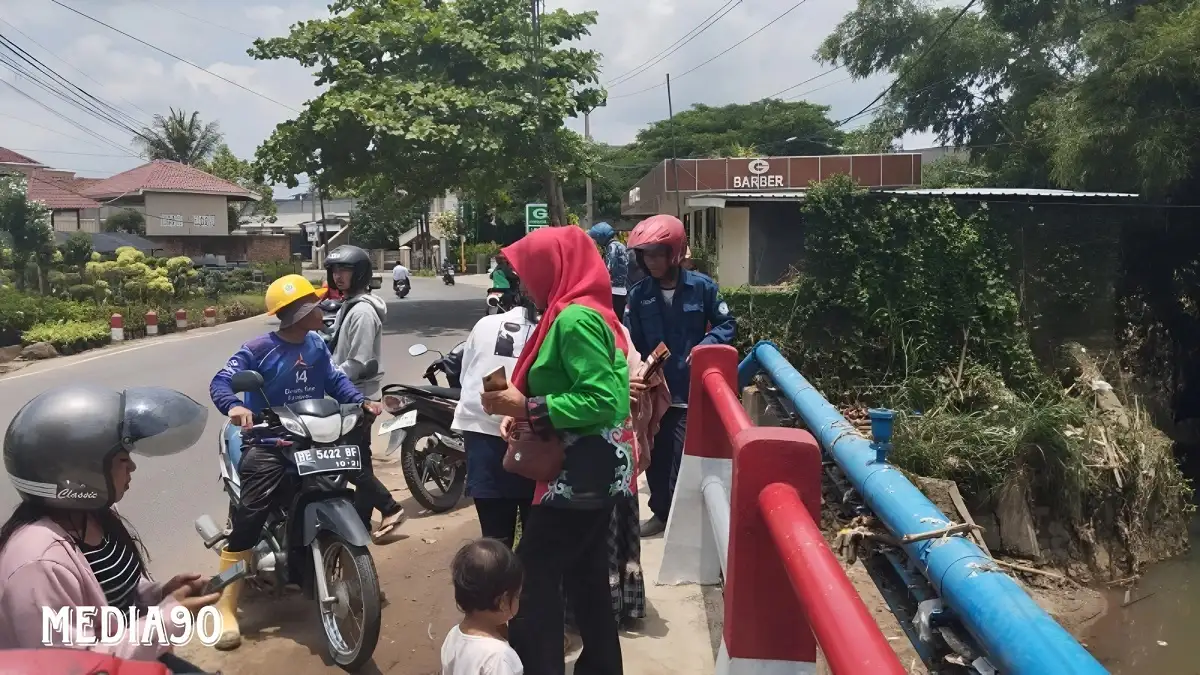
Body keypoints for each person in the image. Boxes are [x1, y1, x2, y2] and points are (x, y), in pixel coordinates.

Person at [481, 225, 630, 675]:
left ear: (553, 268)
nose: (523, 284)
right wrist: (521, 410)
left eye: (528, 272)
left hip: (578, 474)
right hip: (589, 470)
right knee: (585, 580)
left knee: (529, 580)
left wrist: (527, 405)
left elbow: (606, 401)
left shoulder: (574, 319)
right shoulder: (572, 312)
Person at [208, 273, 381, 650]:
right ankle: (225, 606)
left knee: (349, 482)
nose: (323, 308)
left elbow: (335, 380)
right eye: (316, 304)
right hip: (268, 442)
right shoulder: (257, 349)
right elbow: (221, 382)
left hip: (312, 437)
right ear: (300, 312)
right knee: (250, 517)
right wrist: (235, 406)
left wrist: (361, 401)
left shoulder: (317, 343)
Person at [0, 384, 217, 669]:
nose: (132, 468)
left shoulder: (95, 515)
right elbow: (72, 665)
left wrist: (160, 594)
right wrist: (166, 620)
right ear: (80, 472)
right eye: (122, 459)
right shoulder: (38, 563)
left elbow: (115, 598)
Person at [625, 215, 736, 537]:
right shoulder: (639, 294)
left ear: (674, 253)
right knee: (655, 457)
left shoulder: (702, 288)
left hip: (689, 392)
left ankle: (679, 519)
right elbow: (630, 340)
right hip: (654, 391)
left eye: (658, 253)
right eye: (646, 255)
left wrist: (707, 345)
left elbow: (727, 324)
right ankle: (661, 514)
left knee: (680, 455)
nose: (652, 261)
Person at [325, 245, 408, 540]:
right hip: (349, 394)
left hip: (355, 395)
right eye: (334, 271)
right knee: (359, 458)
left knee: (345, 461)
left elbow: (358, 362)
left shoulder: (361, 312)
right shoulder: (349, 304)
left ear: (359, 273)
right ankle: (360, 523)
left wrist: (325, 378)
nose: (338, 276)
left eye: (344, 270)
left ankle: (390, 507)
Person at [452, 290, 537, 549]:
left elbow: (467, 376)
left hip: (481, 436)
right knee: (537, 539)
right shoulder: (555, 328)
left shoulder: (485, 325)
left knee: (495, 539)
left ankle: (498, 587)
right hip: (533, 436)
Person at [441, 538, 525, 675]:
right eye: (517, 595)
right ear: (503, 601)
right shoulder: (499, 658)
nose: (519, 599)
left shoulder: (452, 637)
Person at [587, 222, 630, 318]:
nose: (596, 242)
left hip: (615, 290)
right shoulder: (620, 245)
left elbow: (608, 268)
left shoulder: (612, 247)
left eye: (596, 239)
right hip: (623, 289)